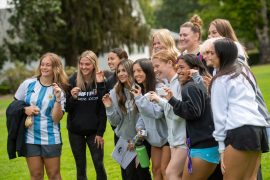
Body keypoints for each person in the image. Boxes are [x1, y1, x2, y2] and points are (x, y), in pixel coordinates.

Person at [209, 38, 269, 179]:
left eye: (212, 53)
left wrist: (221, 148)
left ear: (222, 54)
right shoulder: (246, 73)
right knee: (250, 178)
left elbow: (219, 117)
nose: (209, 56)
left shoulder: (220, 79)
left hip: (240, 130)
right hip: (258, 130)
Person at [14, 52, 68, 180]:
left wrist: (58, 98)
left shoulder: (59, 90)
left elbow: (56, 118)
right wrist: (25, 109)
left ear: (56, 68)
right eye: (42, 64)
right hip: (30, 138)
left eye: (48, 65)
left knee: (54, 176)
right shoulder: (28, 84)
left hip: (51, 138)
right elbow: (14, 106)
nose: (44, 67)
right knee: (36, 176)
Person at [165, 54, 219, 179]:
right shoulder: (199, 84)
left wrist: (172, 100)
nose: (178, 71)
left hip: (203, 147)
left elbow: (193, 112)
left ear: (194, 68)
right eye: (177, 68)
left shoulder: (190, 87)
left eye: (182, 67)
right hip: (207, 144)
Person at [102, 59, 152, 180]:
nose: (120, 74)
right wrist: (109, 107)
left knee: (143, 174)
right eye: (118, 71)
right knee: (129, 176)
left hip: (142, 140)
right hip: (124, 142)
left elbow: (145, 119)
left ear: (131, 71)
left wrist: (136, 140)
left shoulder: (140, 89)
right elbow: (115, 122)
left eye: (124, 70)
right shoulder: (114, 93)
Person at [65, 50, 107, 180]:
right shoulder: (72, 79)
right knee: (80, 166)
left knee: (99, 165)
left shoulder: (100, 80)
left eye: (87, 64)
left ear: (94, 64)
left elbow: (104, 108)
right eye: (81, 64)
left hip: (94, 132)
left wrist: (100, 133)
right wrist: (72, 97)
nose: (84, 67)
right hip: (75, 131)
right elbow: (67, 108)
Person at [131, 58, 169, 180]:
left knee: (165, 170)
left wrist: (139, 99)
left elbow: (158, 113)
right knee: (155, 170)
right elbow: (143, 114)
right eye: (134, 71)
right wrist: (140, 128)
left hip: (167, 136)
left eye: (139, 70)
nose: (136, 74)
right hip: (154, 139)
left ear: (147, 71)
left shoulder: (160, 87)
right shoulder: (142, 89)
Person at [151, 50, 187, 180]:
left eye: (157, 66)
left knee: (171, 173)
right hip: (174, 140)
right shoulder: (170, 83)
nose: (155, 70)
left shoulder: (179, 83)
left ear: (170, 63)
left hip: (182, 139)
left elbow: (179, 113)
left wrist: (159, 100)